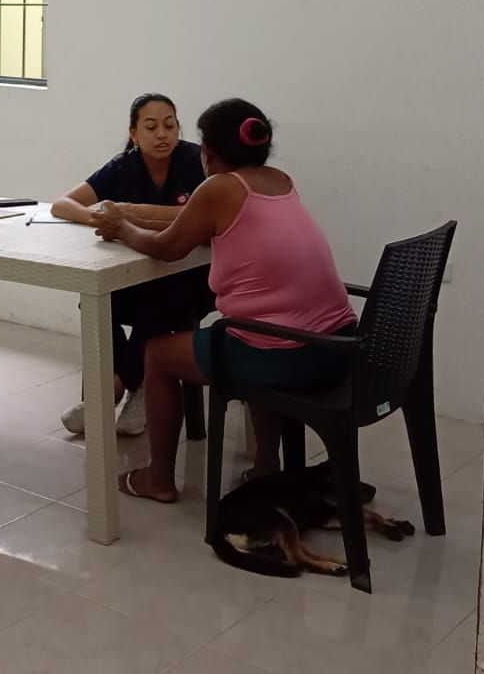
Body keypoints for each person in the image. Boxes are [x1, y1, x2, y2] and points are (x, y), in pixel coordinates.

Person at [92, 98, 356, 502]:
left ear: (208, 152)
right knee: (257, 330)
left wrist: (122, 227)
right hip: (337, 345)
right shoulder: (281, 180)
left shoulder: (219, 187)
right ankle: (265, 465)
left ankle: (158, 480)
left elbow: (166, 248)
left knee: (158, 354)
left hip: (287, 355)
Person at [51, 92, 214, 437]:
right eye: (151, 127)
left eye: (170, 125)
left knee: (160, 295)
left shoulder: (195, 160)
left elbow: (203, 213)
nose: (162, 134)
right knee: (97, 297)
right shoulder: (124, 165)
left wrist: (134, 212)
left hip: (195, 278)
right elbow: (62, 205)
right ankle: (134, 385)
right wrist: (100, 218)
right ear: (134, 132)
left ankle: (113, 390)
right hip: (142, 276)